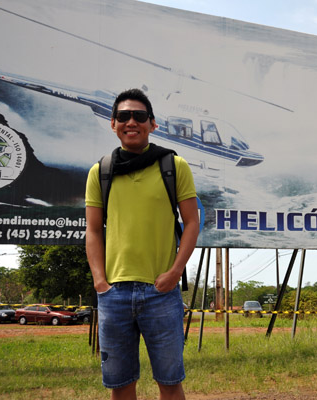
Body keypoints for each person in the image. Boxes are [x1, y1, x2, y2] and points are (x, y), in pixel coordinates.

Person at [85, 88, 199, 400]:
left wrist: (175, 272)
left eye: (139, 116)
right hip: (114, 294)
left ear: (152, 124)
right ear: (113, 123)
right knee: (120, 387)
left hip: (161, 292)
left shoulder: (174, 167)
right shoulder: (101, 172)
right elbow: (93, 231)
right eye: (123, 116)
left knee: (170, 383)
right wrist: (99, 281)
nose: (130, 121)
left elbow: (192, 222)